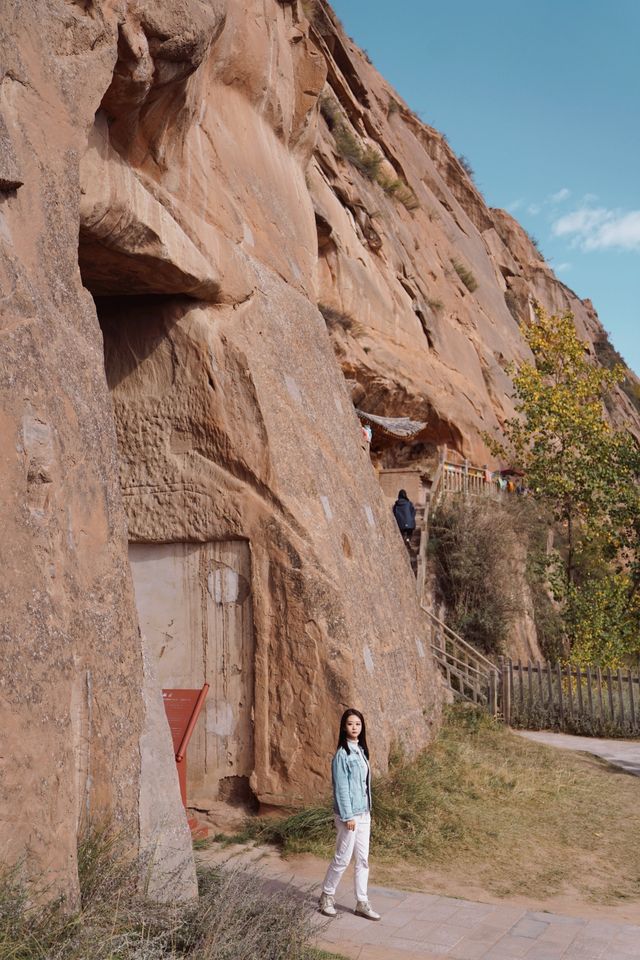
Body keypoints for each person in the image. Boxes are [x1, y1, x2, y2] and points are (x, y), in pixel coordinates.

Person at [319, 709, 380, 921]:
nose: (354, 728)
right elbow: (341, 788)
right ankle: (327, 896)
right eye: (350, 724)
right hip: (349, 816)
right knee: (343, 858)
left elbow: (363, 785)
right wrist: (348, 816)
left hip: (364, 814)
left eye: (358, 724)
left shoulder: (361, 751)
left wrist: (366, 812)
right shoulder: (342, 755)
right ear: (344, 727)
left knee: (363, 859)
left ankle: (362, 902)